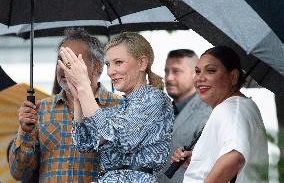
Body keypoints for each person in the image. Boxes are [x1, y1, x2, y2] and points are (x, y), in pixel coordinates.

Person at [9, 28, 123, 183]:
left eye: (72, 60)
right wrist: (25, 132)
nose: (63, 67)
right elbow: (19, 173)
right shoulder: (40, 109)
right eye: (60, 60)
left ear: (96, 67)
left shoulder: (119, 107)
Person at [58, 32, 174, 183]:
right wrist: (78, 96)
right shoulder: (119, 108)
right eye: (108, 64)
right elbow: (83, 143)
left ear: (142, 63)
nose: (110, 71)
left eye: (118, 62)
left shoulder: (154, 99)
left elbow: (119, 138)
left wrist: (85, 87)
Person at [171, 46, 269, 183]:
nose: (200, 78)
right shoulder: (240, 106)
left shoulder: (231, 109)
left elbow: (235, 156)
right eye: (198, 71)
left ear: (233, 77)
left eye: (210, 71)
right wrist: (200, 157)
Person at [157, 49, 211, 183]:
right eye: (166, 71)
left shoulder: (208, 114)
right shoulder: (162, 111)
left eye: (176, 71)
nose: (168, 78)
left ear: (195, 74)